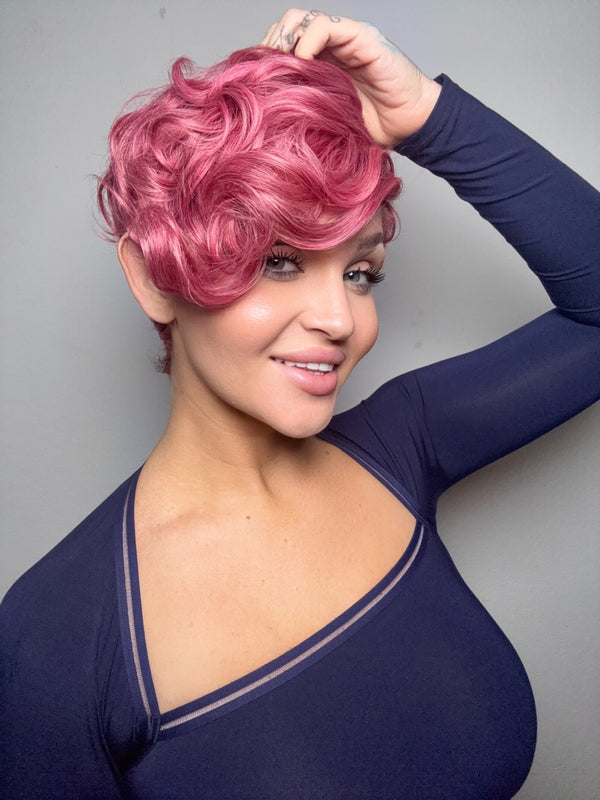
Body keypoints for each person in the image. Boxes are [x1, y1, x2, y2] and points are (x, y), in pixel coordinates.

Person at [1, 8, 598, 799]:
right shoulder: (58, 640)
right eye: (279, 262)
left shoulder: (399, 446)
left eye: (359, 272)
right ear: (152, 278)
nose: (340, 319)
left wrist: (428, 116)